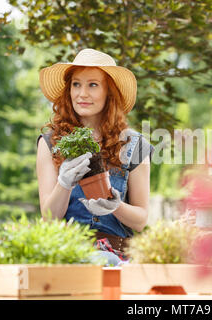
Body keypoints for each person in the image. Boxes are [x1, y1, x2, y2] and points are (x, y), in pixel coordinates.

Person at [36, 49, 154, 265]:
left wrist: (115, 206)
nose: (82, 94)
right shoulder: (50, 143)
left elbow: (141, 220)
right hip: (68, 257)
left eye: (93, 85)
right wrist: (64, 183)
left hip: (117, 260)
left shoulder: (135, 145)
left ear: (109, 92)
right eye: (76, 84)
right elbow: (48, 218)